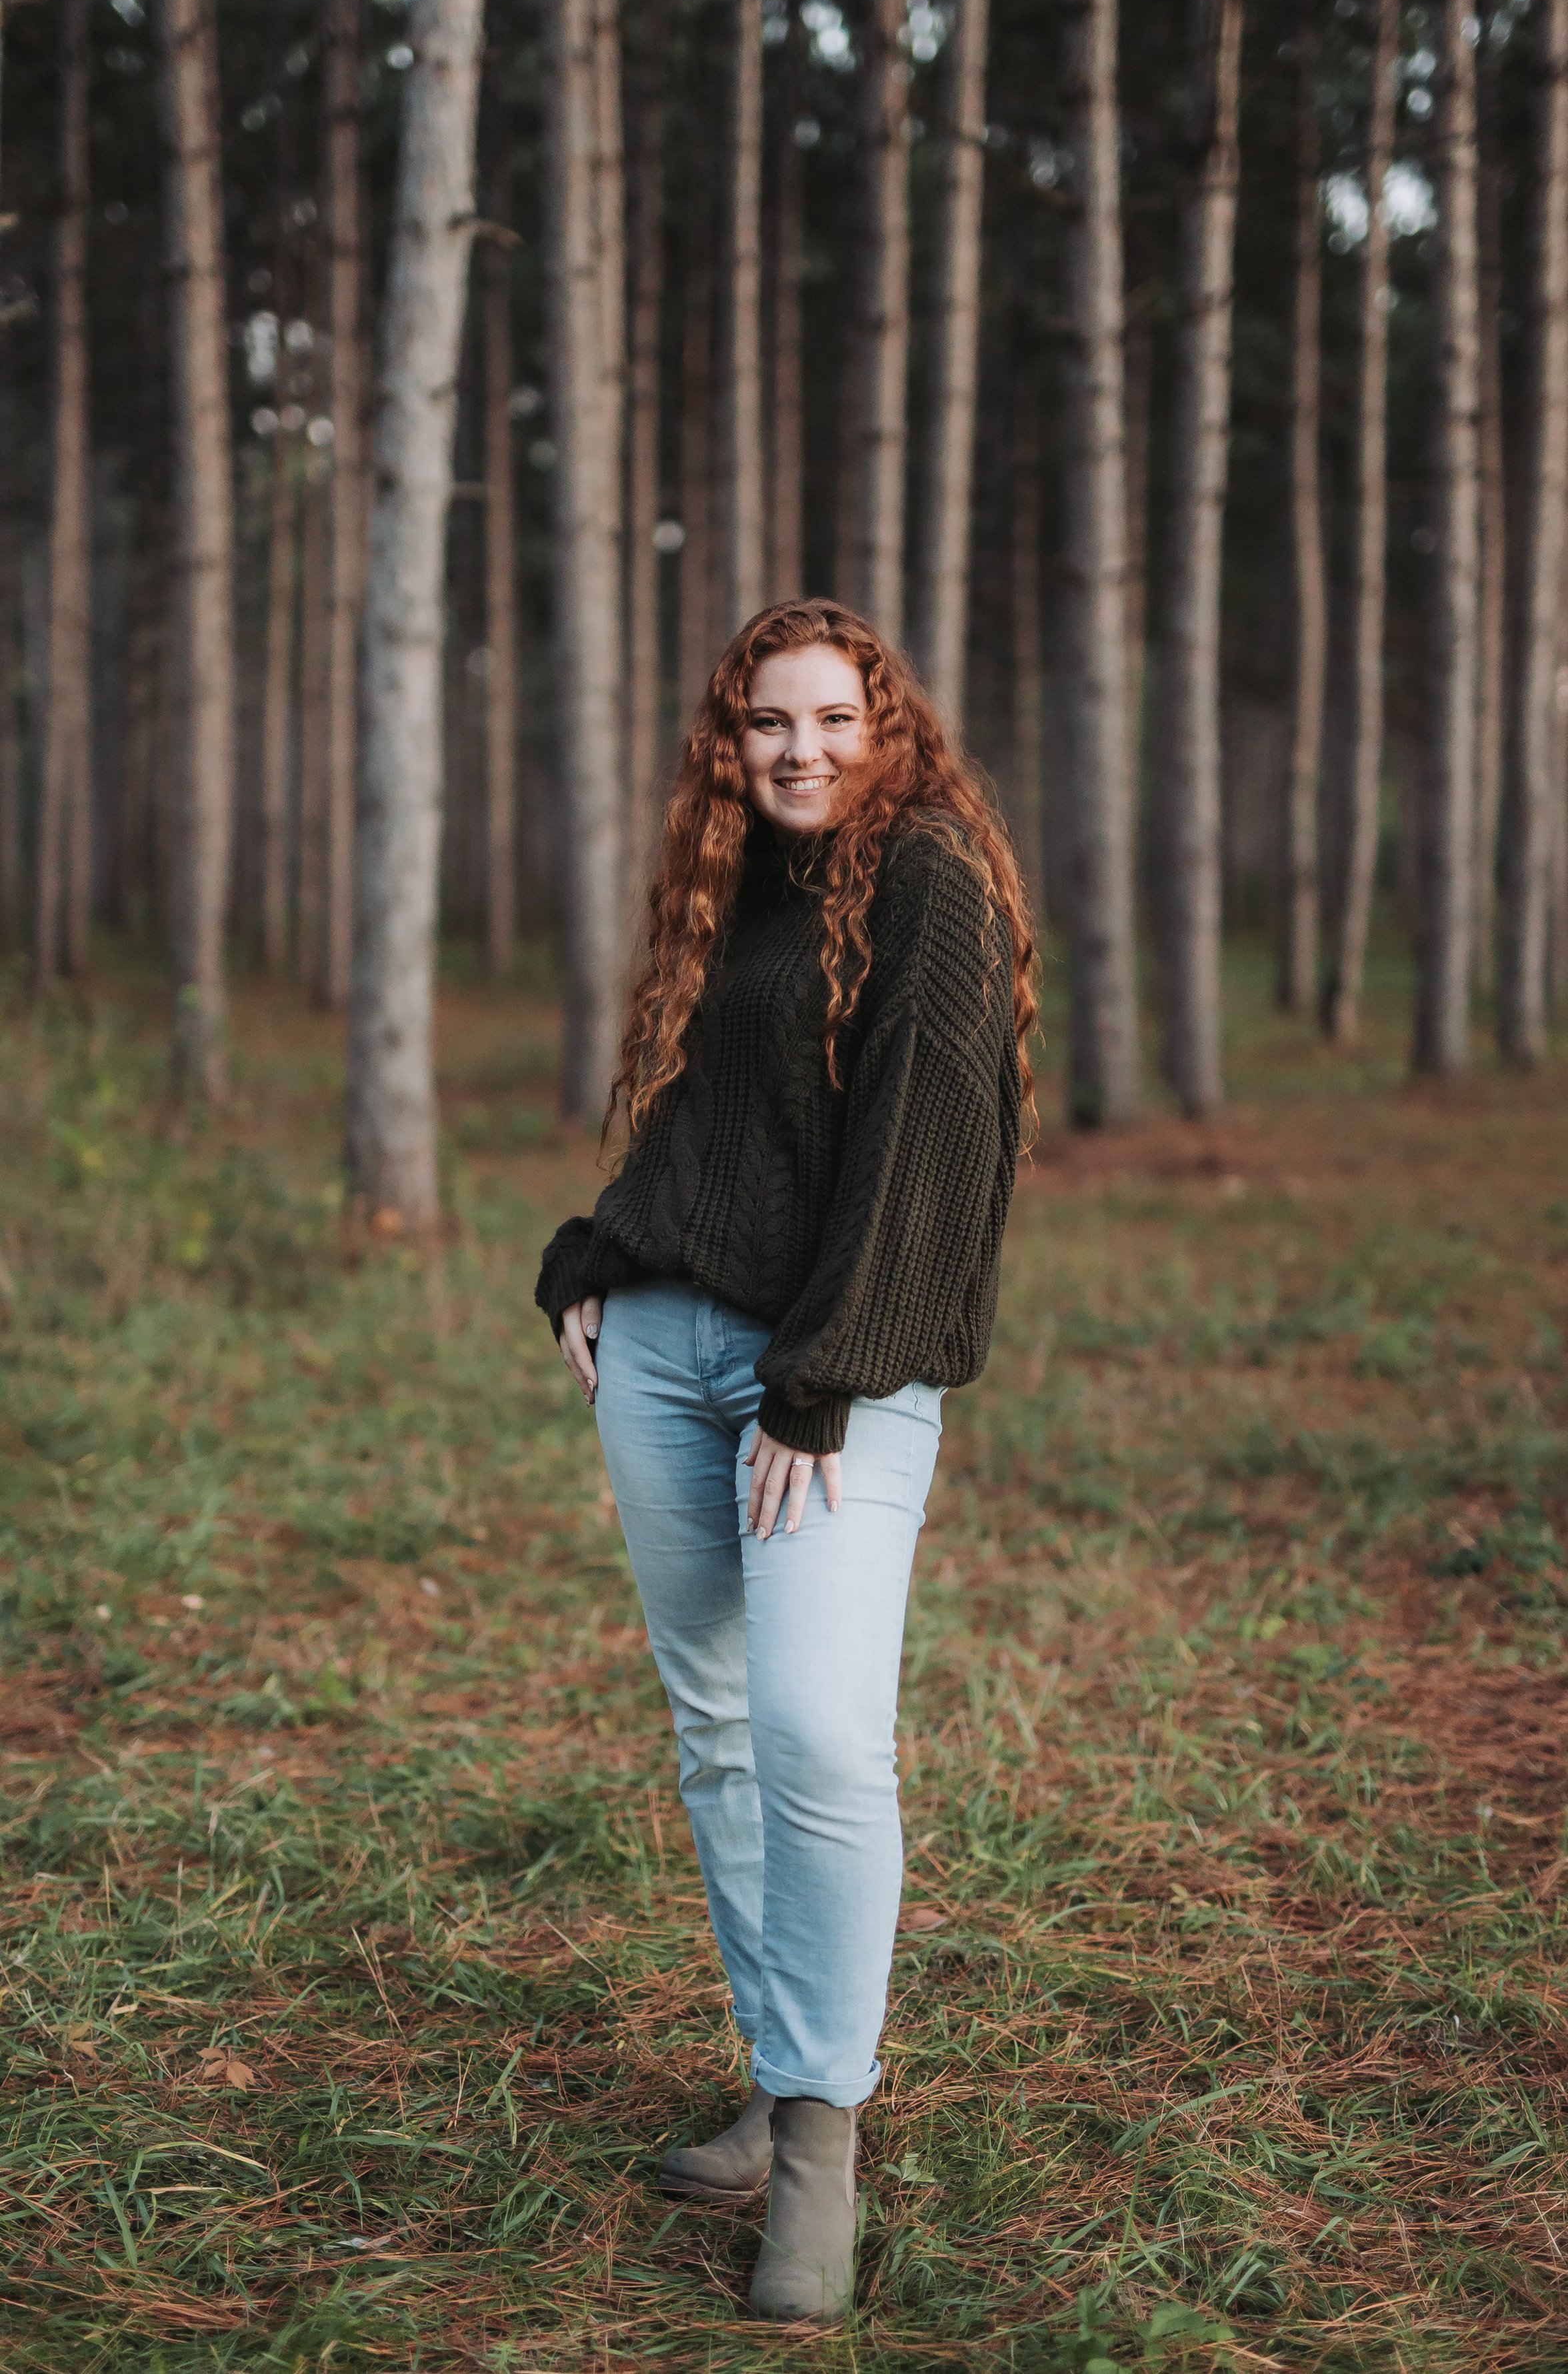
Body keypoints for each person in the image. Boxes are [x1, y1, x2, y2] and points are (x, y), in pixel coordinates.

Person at [535, 598, 1037, 2322]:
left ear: (886, 727)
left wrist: (816, 1384)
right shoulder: (732, 890)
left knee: (821, 1732)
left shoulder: (929, 889)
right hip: (662, 1353)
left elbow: (927, 1151)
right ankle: (774, 2072)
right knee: (722, 1728)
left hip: (836, 1375)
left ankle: (820, 2134)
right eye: (766, 724)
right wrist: (595, 1252)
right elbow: (704, 1119)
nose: (799, 749)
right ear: (727, 741)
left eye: (832, 719)